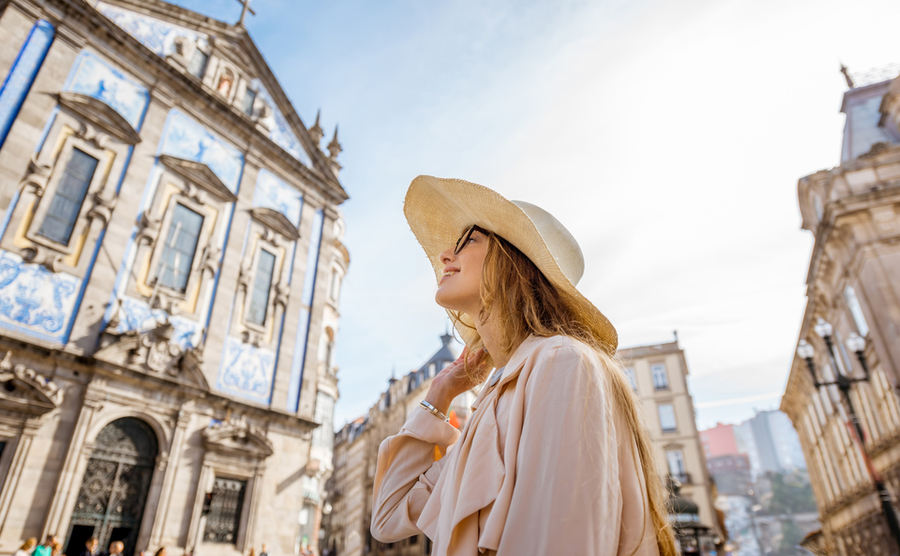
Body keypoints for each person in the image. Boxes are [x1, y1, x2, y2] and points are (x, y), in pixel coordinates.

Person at [370, 177, 679, 555]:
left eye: (468, 240)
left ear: (517, 265)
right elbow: (388, 518)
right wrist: (439, 394)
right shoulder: (495, 402)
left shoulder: (562, 363)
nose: (444, 255)